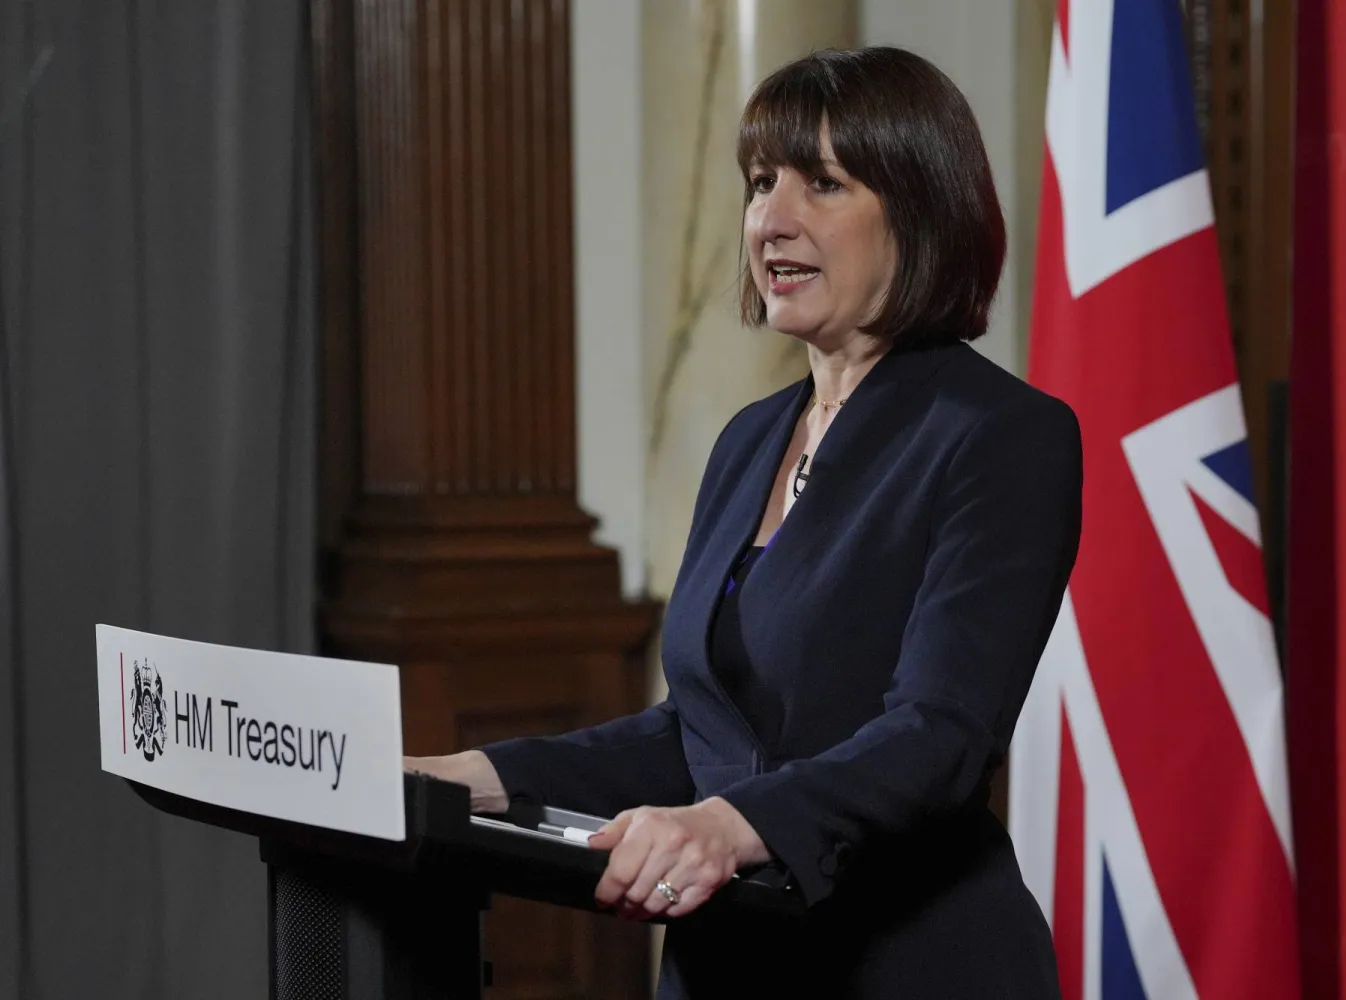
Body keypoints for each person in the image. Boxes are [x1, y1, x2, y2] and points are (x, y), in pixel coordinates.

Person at [405, 46, 1081, 1000]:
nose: (772, 219)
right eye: (762, 182)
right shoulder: (751, 440)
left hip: (910, 967)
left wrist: (727, 825)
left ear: (922, 210)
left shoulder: (1002, 436)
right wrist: (465, 776)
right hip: (729, 967)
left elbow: (941, 733)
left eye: (824, 183)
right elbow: (698, 734)